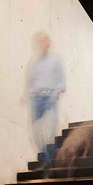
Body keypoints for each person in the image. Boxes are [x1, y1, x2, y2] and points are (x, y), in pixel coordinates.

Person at [25, 32, 66, 170]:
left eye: (44, 41)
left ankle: (53, 158)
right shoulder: (35, 63)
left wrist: (57, 92)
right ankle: (46, 159)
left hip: (50, 98)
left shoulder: (55, 60)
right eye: (39, 42)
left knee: (51, 129)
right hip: (36, 99)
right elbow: (30, 82)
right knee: (36, 131)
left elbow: (61, 80)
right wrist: (29, 93)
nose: (42, 44)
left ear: (48, 43)